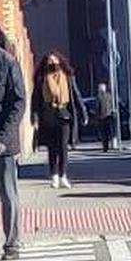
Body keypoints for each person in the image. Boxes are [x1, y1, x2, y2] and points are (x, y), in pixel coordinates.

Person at [0, 25, 26, 260]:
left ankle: (12, 243)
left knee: (7, 194)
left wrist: (3, 138)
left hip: (3, 143)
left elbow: (18, 103)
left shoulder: (8, 63)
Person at [31, 53, 84, 190]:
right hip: (48, 117)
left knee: (63, 147)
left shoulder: (67, 77)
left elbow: (76, 95)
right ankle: (54, 176)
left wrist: (83, 111)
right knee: (52, 148)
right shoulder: (41, 78)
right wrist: (34, 117)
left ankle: (63, 176)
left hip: (64, 116)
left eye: (55, 62)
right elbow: (35, 99)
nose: (53, 65)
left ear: (61, 62)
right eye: (50, 62)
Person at [96, 82, 116, 152]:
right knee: (108, 132)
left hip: (102, 117)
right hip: (109, 116)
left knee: (103, 133)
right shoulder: (109, 96)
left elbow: (97, 107)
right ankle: (109, 144)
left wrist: (97, 115)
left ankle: (105, 147)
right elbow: (111, 105)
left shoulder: (99, 97)